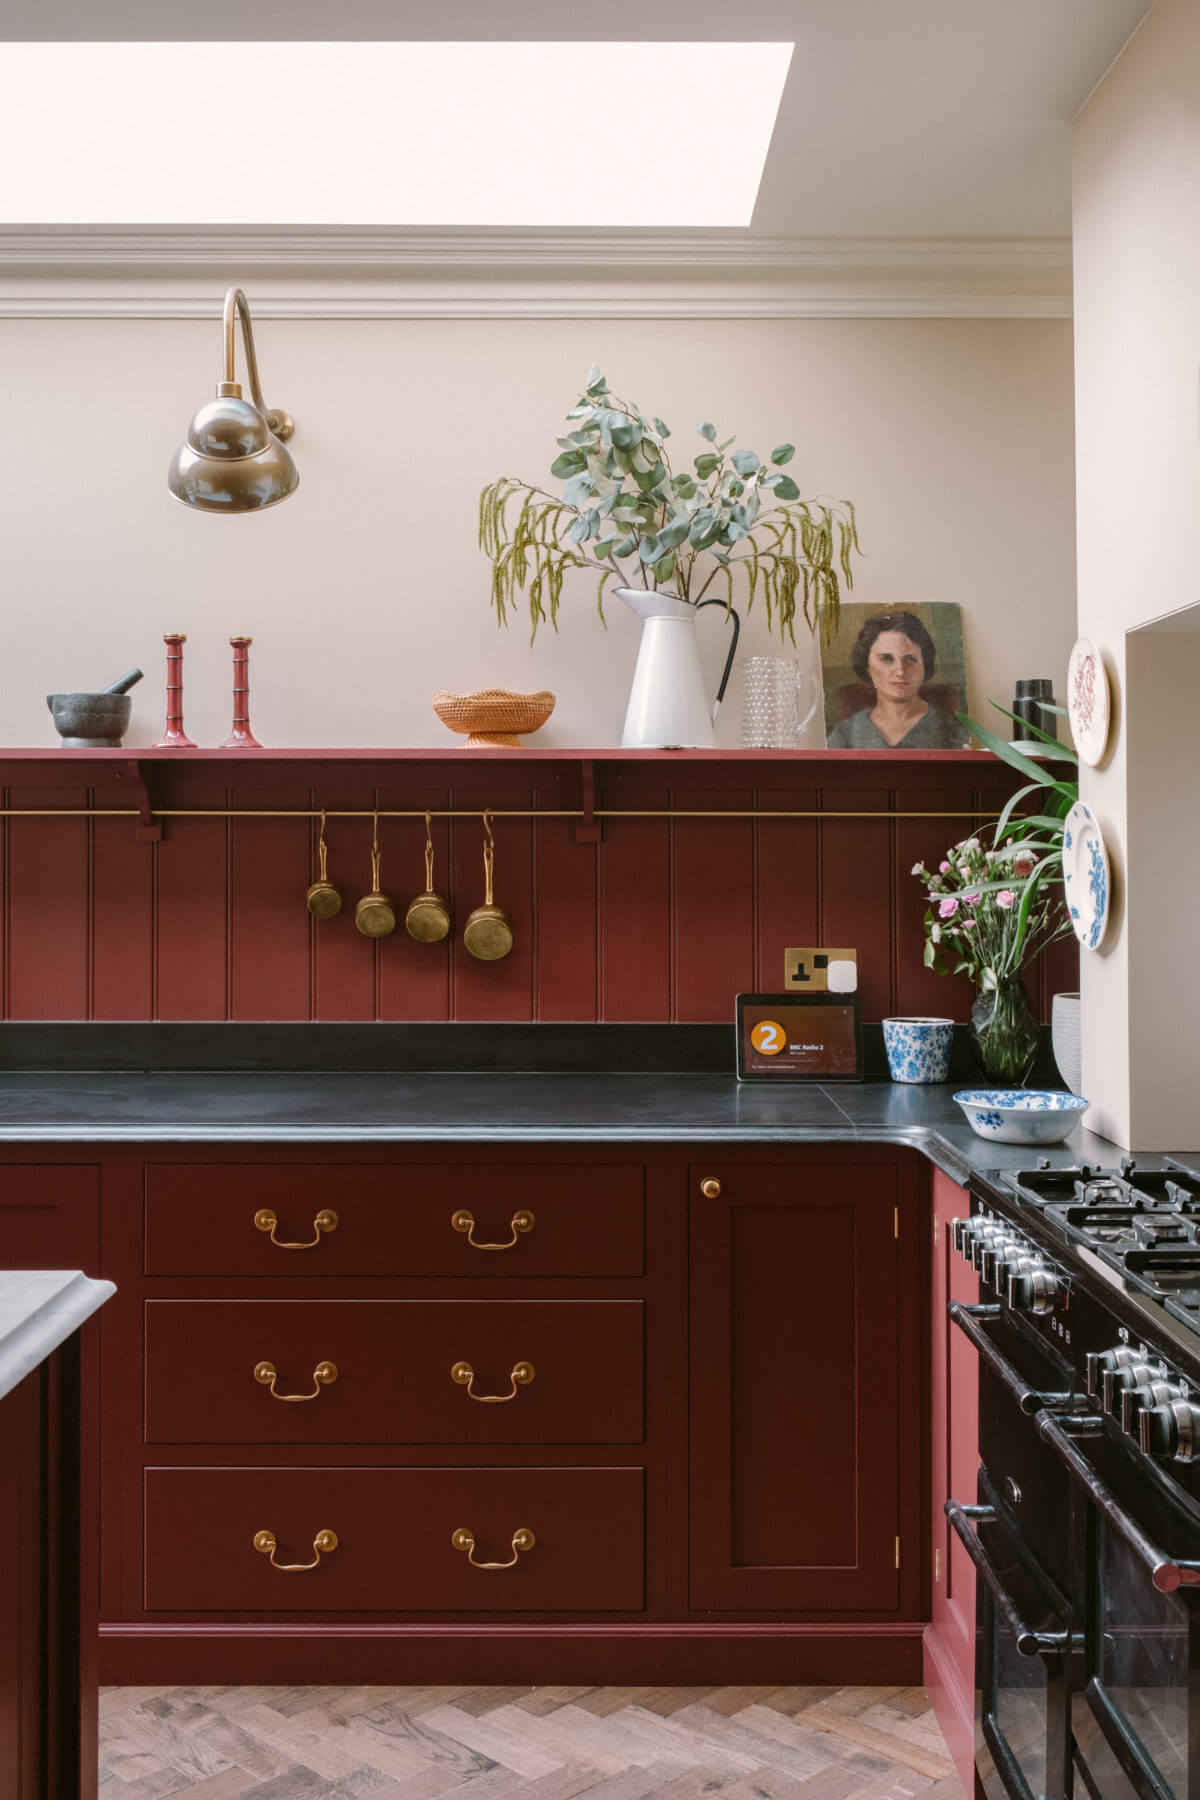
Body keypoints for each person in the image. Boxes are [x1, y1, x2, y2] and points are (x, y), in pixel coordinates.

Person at [826, 610, 969, 749]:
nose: (900, 671)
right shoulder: (844, 735)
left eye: (910, 659)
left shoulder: (953, 732)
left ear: (925, 666)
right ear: (867, 666)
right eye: (887, 659)